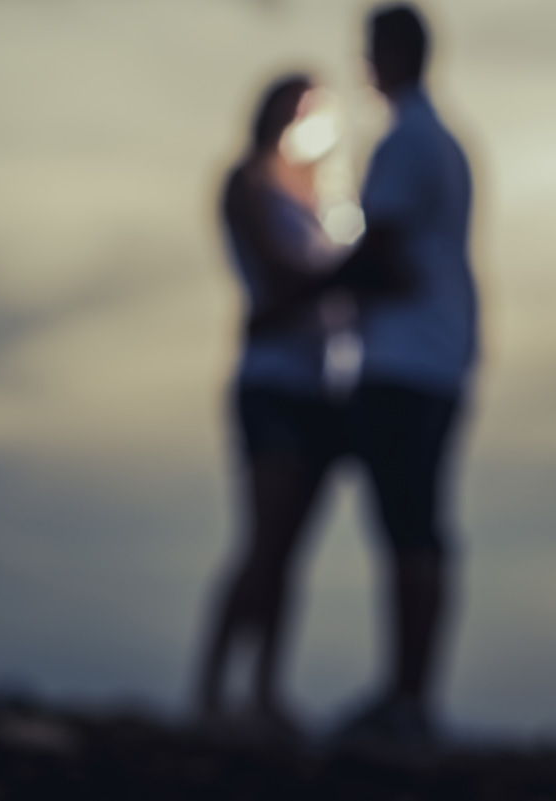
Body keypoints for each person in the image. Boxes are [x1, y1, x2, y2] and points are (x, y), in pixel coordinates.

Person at [330, 3, 479, 746]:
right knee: (421, 529)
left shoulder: (406, 142)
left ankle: (403, 697)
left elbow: (380, 251)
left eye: (370, 49)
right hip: (443, 357)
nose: (364, 63)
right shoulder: (446, 143)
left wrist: (305, 289)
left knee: (405, 530)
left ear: (391, 54)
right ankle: (412, 696)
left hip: (403, 361)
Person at [195, 74, 351, 738]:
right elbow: (280, 275)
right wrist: (355, 271)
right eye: (299, 107)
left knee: (289, 547)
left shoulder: (320, 193)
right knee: (263, 537)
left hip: (320, 384)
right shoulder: (245, 181)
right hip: (270, 383)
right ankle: (211, 689)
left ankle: (262, 691)